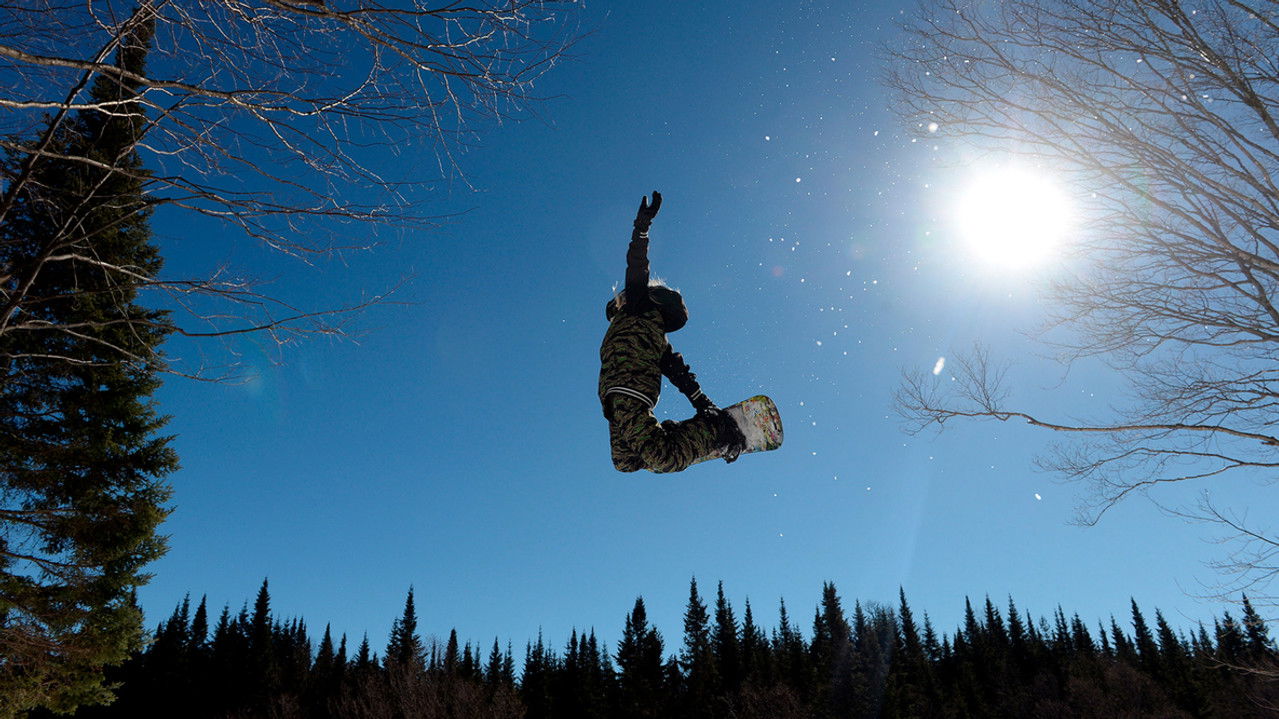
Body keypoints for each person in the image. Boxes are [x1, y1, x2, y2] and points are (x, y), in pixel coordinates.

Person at [598, 191, 746, 473]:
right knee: (625, 462)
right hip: (615, 403)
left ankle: (711, 431)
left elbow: (637, 267)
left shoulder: (639, 309)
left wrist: (641, 228)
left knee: (662, 458)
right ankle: (682, 435)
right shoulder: (638, 328)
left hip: (632, 395)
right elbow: (678, 372)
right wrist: (702, 402)